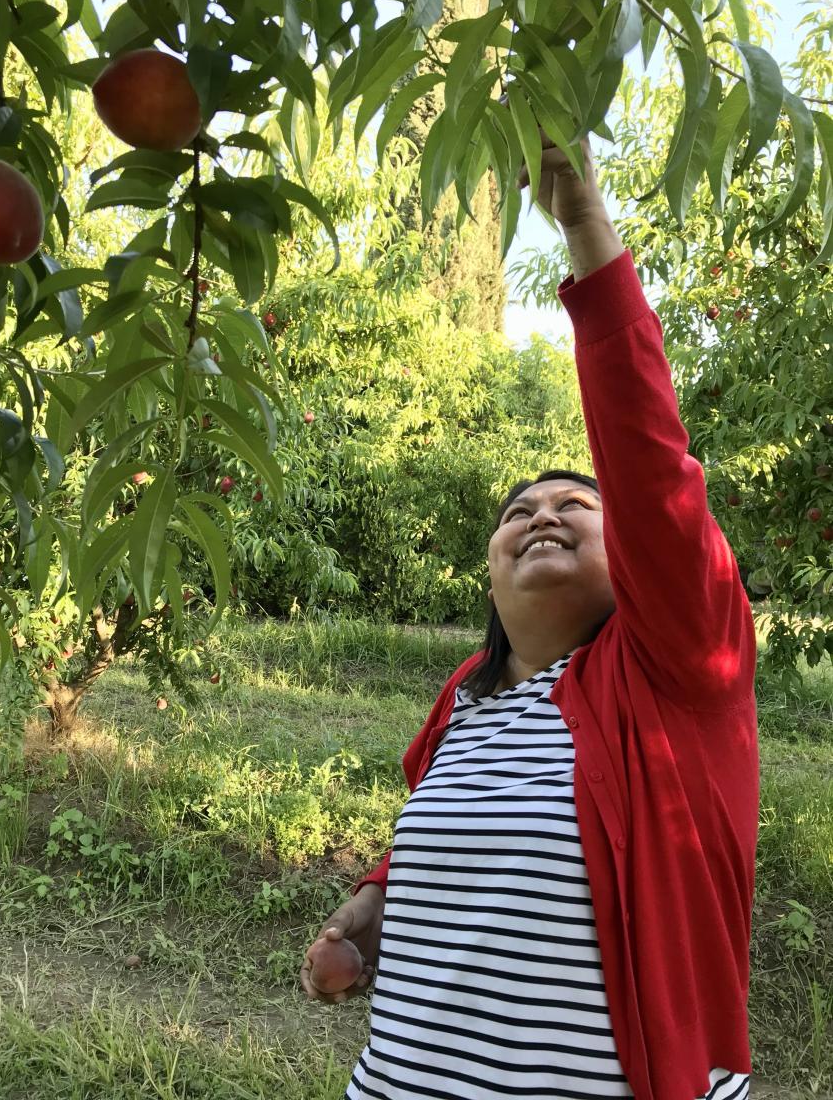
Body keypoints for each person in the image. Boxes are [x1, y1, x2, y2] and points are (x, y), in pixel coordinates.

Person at [300, 127, 759, 1100]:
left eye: (575, 509)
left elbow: (651, 470)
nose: (542, 516)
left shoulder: (674, 684)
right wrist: (374, 906)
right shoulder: (463, 701)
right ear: (491, 566)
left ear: (629, 551)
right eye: (519, 513)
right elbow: (460, 843)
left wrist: (585, 229)